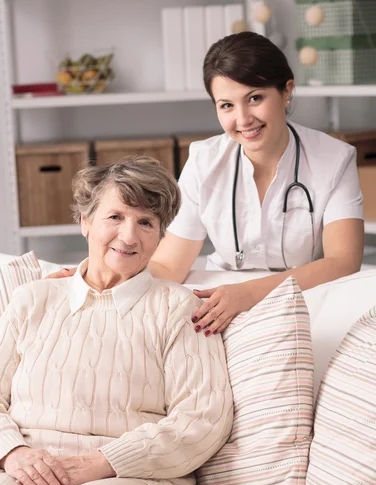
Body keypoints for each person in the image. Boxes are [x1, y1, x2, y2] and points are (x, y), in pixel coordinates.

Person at [0, 156, 233, 485]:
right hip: (31, 462)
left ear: (160, 234)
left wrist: (102, 463)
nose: (129, 235)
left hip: (139, 478)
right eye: (115, 216)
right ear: (85, 222)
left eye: (146, 222)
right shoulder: (32, 300)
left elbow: (203, 418)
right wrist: (14, 454)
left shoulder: (180, 308)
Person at [49, 32, 364, 336]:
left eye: (255, 98)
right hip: (218, 303)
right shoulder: (204, 160)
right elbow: (170, 264)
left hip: (304, 300)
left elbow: (343, 261)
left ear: (286, 91)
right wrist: (101, 274)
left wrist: (246, 295)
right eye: (226, 105)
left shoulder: (334, 159)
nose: (242, 120)